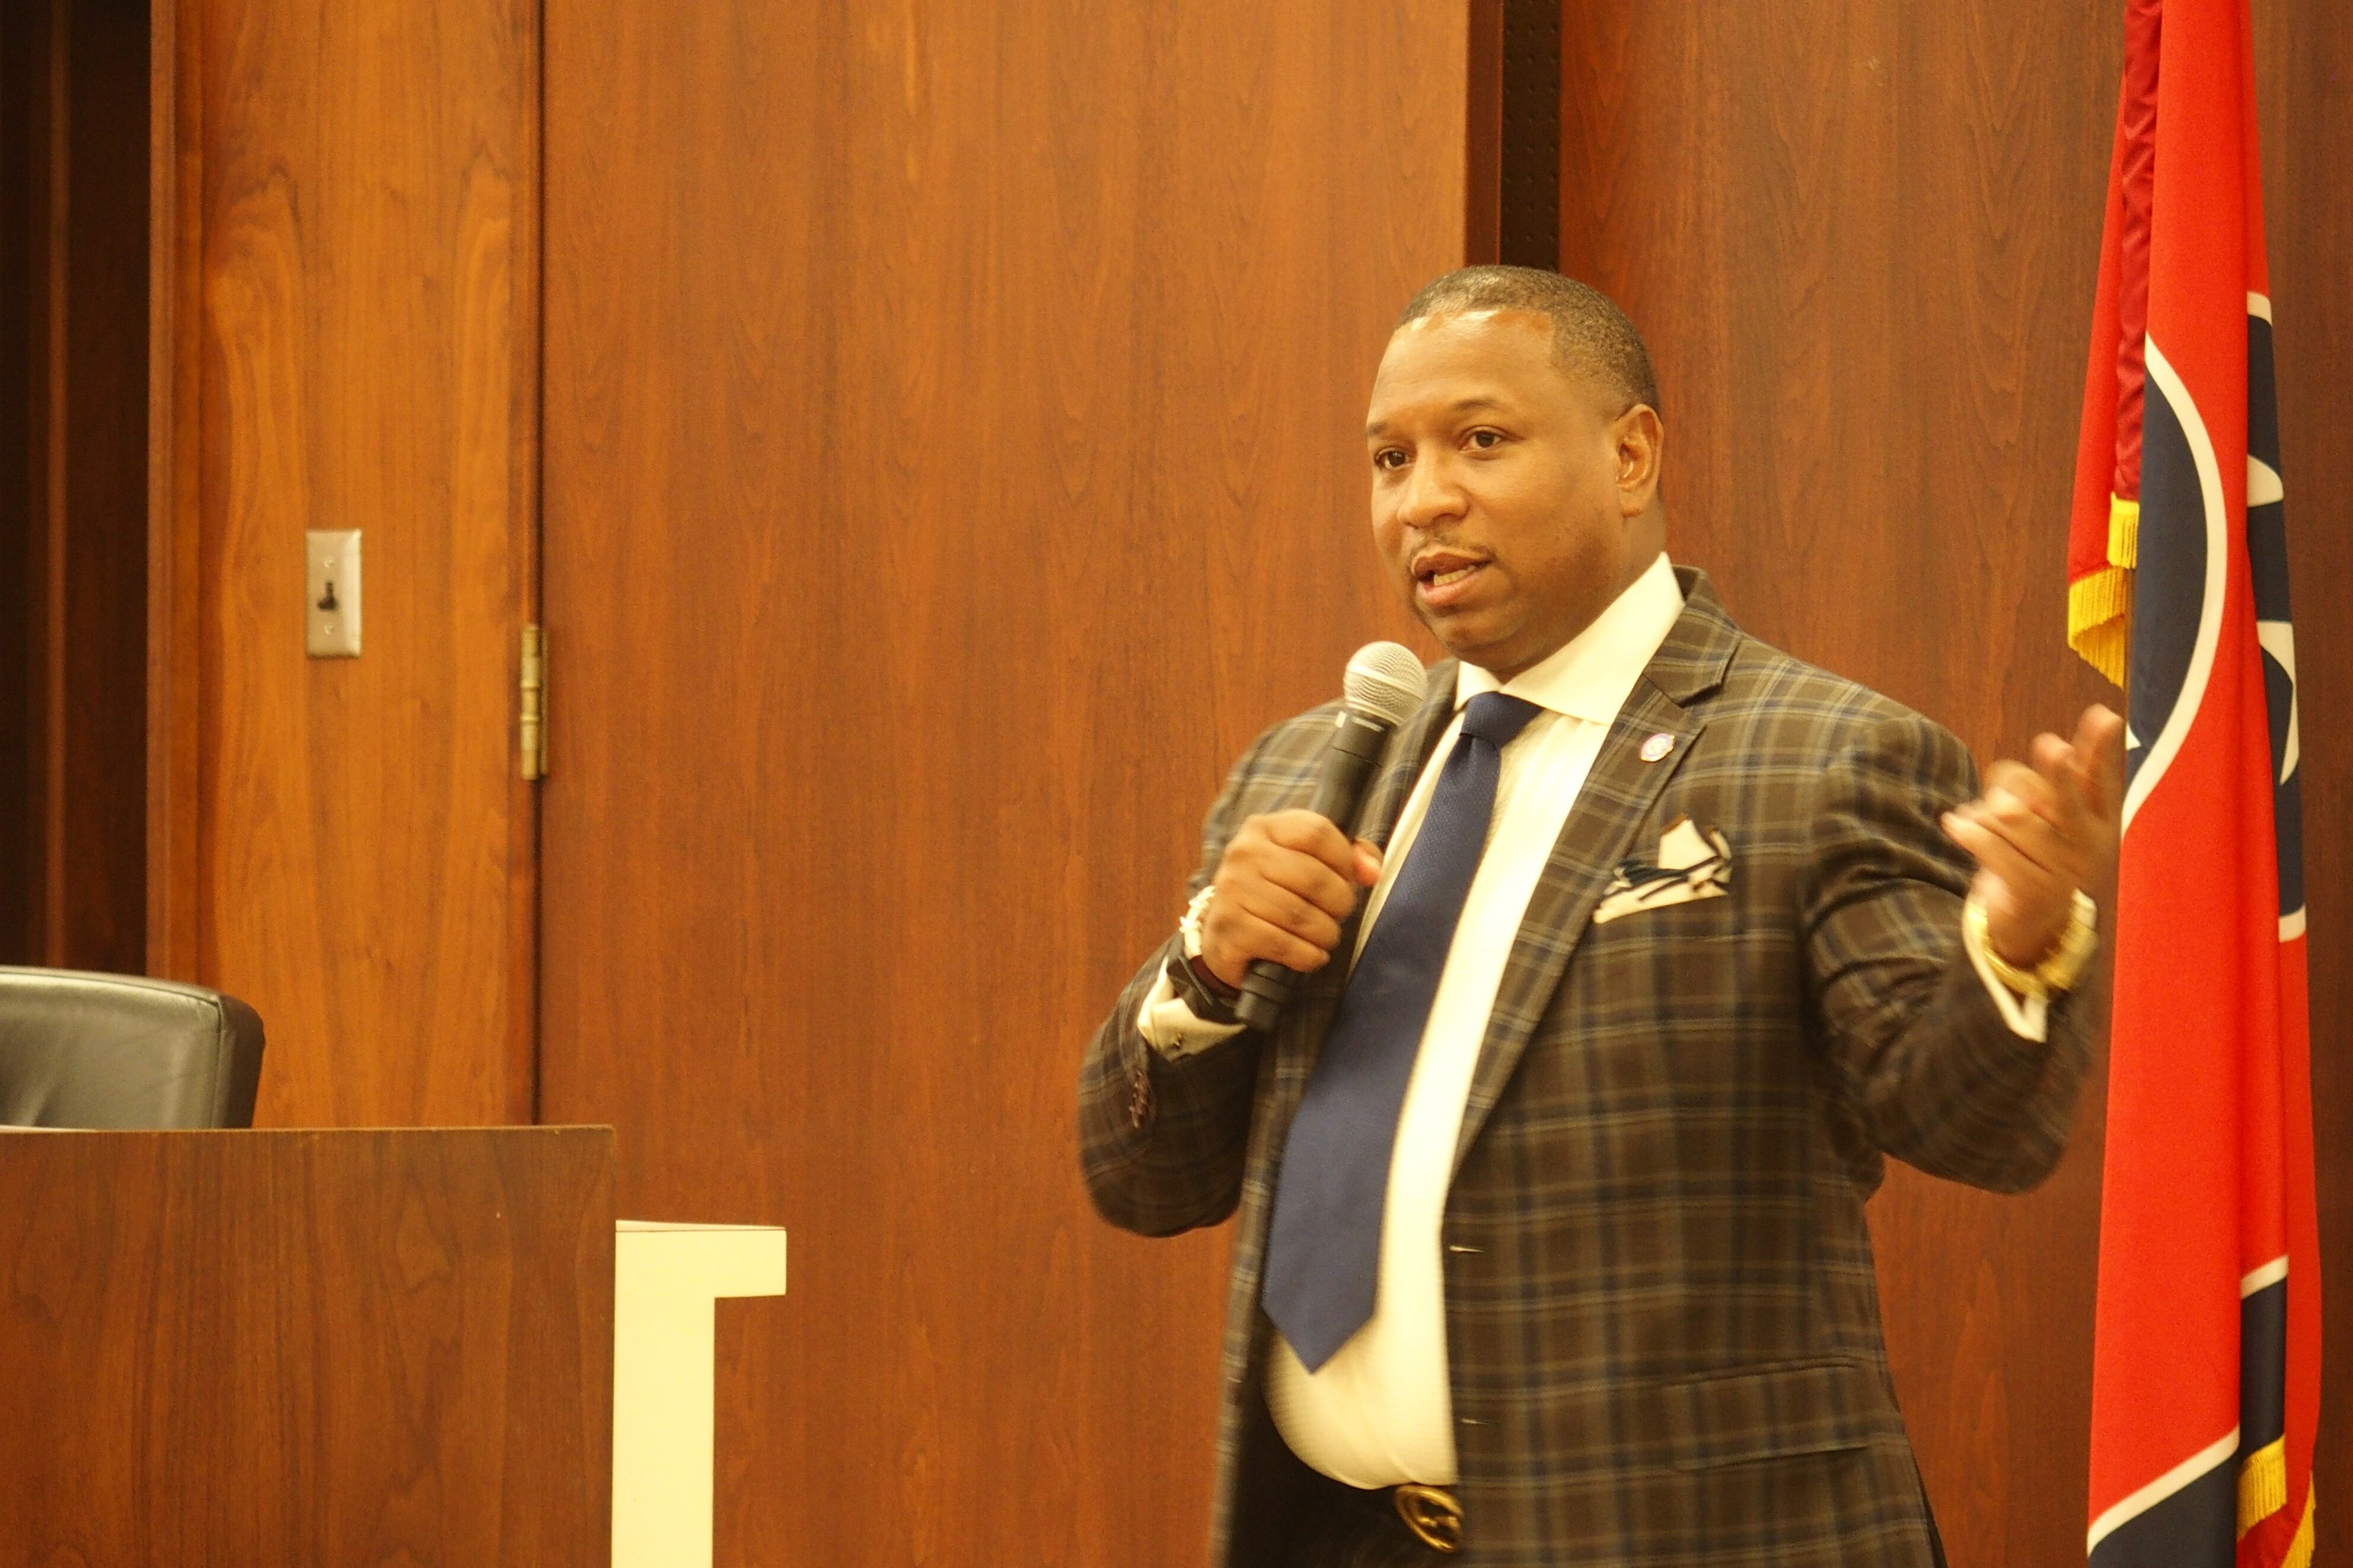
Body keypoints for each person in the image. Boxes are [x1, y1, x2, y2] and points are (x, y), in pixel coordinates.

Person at [1077, 266, 2122, 1567]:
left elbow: (1966, 1121)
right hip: (1343, 1539)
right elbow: (1140, 1178)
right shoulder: (1311, 771)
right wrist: (1204, 970)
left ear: (1630, 456)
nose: (1425, 499)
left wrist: (2020, 941)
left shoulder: (1819, 755)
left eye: (1482, 441)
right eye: (1389, 459)